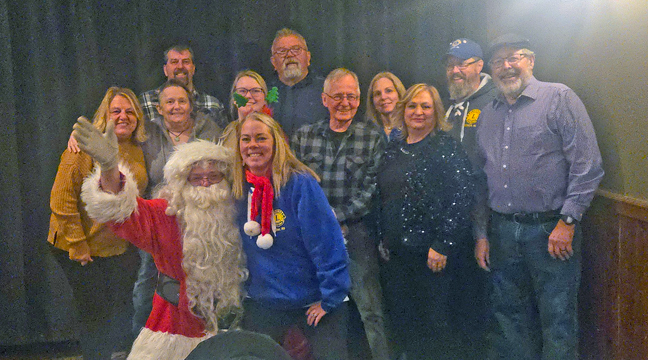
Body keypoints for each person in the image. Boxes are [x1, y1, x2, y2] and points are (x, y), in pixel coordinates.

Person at [74, 116, 248, 360]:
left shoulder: (239, 211)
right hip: (173, 326)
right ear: (181, 182)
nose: (206, 184)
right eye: (196, 178)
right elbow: (123, 211)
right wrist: (109, 166)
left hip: (233, 322)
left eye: (214, 176)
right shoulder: (165, 212)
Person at [476, 34, 604, 359]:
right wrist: (481, 233)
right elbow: (481, 178)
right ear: (490, 70)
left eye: (513, 57)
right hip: (502, 232)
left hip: (551, 232)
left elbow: (587, 166)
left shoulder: (559, 98)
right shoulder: (487, 114)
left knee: (558, 321)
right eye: (498, 61)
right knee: (509, 322)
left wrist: (568, 221)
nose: (506, 66)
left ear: (530, 60)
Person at [228, 112, 351, 360]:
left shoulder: (300, 184)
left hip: (312, 298)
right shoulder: (236, 188)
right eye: (246, 139)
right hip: (264, 301)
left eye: (261, 138)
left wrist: (330, 297)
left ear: (276, 143)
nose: (253, 145)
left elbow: (327, 244)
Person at [292, 68, 390, 360]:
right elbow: (295, 186)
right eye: (338, 96)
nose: (345, 102)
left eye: (352, 96)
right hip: (312, 237)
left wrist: (338, 217)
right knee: (316, 306)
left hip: (356, 233)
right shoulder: (303, 137)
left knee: (371, 310)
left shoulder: (371, 137)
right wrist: (323, 222)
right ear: (324, 99)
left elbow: (373, 189)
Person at [47, 87, 148, 360]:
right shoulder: (82, 148)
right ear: (105, 115)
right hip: (79, 245)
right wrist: (78, 245)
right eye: (116, 111)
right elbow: (61, 199)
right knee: (94, 313)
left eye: (130, 111)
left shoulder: (137, 149)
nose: (123, 116)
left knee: (118, 310)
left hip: (116, 246)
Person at [375, 83, 474, 360]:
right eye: (412, 106)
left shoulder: (446, 146)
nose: (418, 112)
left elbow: (461, 197)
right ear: (403, 110)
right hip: (395, 256)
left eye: (426, 106)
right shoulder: (393, 149)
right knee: (404, 327)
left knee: (434, 330)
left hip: (431, 256)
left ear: (436, 112)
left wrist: (443, 244)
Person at [132, 78, 223, 336]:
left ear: (190, 104)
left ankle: (203, 338)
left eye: (181, 101)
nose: (176, 106)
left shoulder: (210, 129)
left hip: (201, 220)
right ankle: (141, 340)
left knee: (201, 281)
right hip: (160, 219)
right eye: (169, 102)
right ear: (159, 108)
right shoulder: (146, 133)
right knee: (148, 279)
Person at [442, 37, 498, 354]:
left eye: (462, 63)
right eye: (450, 65)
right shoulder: (450, 108)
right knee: (459, 304)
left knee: (485, 307)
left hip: (488, 223)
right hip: (455, 224)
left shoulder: (494, 102)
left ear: (479, 65)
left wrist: (482, 229)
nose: (455, 70)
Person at [139, 44, 227, 126]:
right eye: (174, 62)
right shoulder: (146, 101)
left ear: (193, 69)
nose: (180, 66)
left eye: (186, 62)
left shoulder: (213, 105)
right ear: (165, 70)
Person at [268, 28, 328, 137]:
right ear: (273, 62)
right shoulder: (263, 93)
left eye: (296, 49)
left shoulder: (326, 89)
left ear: (308, 57)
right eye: (282, 51)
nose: (290, 55)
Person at [365, 72, 406, 141]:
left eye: (389, 91)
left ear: (399, 94)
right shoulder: (366, 133)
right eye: (377, 94)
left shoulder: (411, 130)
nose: (383, 97)